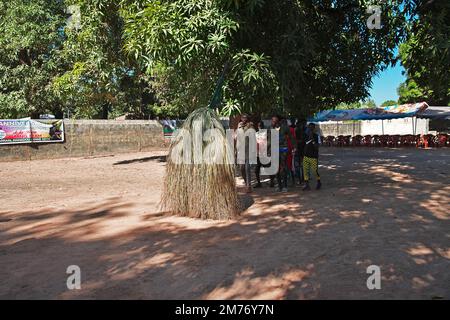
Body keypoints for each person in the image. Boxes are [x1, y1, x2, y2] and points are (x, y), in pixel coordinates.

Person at [271, 115, 297, 192]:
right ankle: (279, 185)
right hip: (274, 150)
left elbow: (291, 137)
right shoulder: (271, 128)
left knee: (283, 167)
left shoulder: (285, 127)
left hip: (283, 149)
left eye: (274, 121)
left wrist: (294, 147)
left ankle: (284, 186)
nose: (272, 122)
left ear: (278, 121)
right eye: (272, 120)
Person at [236, 114, 256, 193]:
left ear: (247, 119)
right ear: (241, 118)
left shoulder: (250, 126)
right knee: (242, 168)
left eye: (245, 118)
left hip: (249, 150)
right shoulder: (239, 126)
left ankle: (248, 186)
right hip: (241, 150)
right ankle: (246, 182)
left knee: (247, 168)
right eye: (242, 118)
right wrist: (236, 149)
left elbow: (253, 139)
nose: (244, 119)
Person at [302, 123, 321, 191]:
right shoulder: (305, 136)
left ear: (314, 129)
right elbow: (304, 145)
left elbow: (317, 147)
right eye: (309, 128)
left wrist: (312, 140)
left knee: (315, 171)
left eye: (311, 128)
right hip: (306, 156)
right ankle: (307, 185)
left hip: (313, 157)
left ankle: (319, 182)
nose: (310, 129)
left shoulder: (316, 136)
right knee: (305, 171)